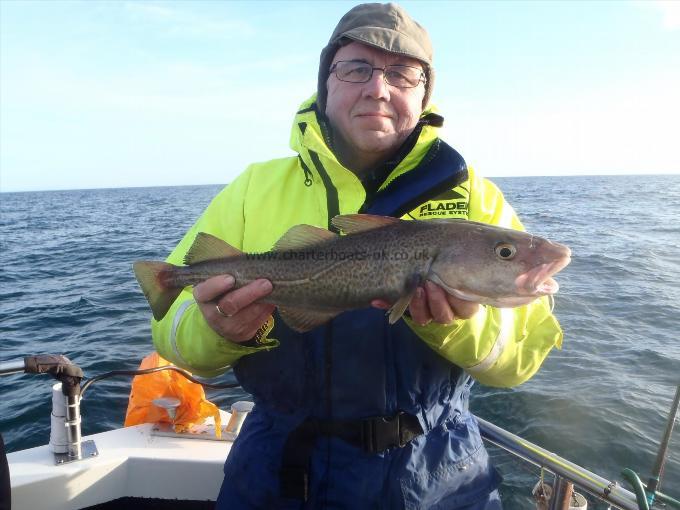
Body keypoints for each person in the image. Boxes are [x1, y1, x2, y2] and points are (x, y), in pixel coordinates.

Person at [151, 3, 564, 508]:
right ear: (327, 81)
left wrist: (458, 324)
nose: (378, 88)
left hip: (439, 475)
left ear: (424, 93)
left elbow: (521, 360)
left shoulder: (474, 197)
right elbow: (172, 337)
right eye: (356, 68)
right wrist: (216, 331)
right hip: (279, 469)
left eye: (402, 74)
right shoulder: (251, 188)